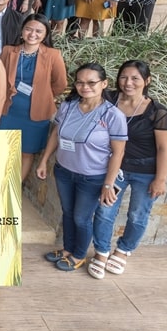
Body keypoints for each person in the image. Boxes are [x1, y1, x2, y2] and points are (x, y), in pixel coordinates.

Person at [37, 63, 127, 272]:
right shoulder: (68, 106)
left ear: (104, 84)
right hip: (65, 171)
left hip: (92, 177)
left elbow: (118, 152)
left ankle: (78, 255)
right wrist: (44, 160)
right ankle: (68, 249)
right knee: (67, 212)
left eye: (91, 82)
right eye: (80, 82)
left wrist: (108, 184)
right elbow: (56, 134)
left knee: (81, 217)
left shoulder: (113, 115)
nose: (85, 86)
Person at [90, 60, 167, 278]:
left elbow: (164, 149)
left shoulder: (158, 113)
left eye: (135, 78)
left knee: (137, 214)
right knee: (105, 210)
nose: (128, 83)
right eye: (124, 77)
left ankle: (124, 250)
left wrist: (160, 179)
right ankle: (101, 251)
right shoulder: (107, 100)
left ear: (147, 81)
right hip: (114, 169)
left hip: (145, 172)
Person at [0, 14, 68, 179]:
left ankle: (13, 190)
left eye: (38, 31)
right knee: (5, 150)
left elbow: (60, 84)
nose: (32, 34)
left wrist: (43, 95)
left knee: (26, 153)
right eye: (29, 29)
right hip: (8, 110)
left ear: (45, 34)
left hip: (36, 113)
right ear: (22, 31)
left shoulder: (53, 55)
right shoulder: (8, 51)